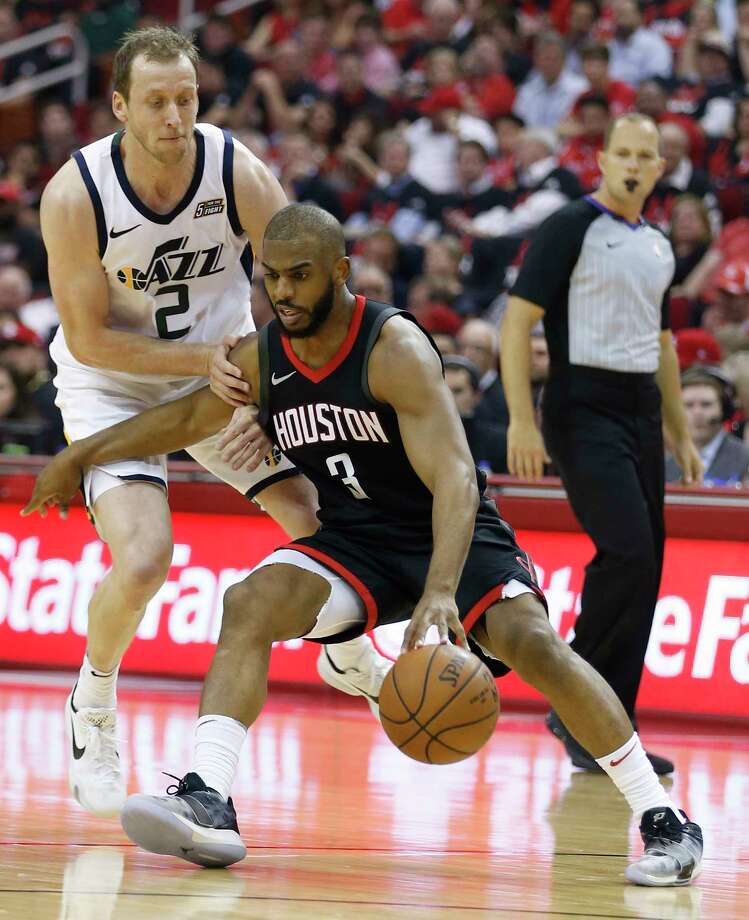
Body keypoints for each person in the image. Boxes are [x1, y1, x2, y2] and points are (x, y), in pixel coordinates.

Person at [25, 203, 703, 887]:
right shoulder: (266, 354)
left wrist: (440, 590)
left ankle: (665, 821)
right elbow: (182, 419)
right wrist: (80, 455)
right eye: (272, 279)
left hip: (447, 532)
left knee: (533, 645)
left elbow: (457, 479)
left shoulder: (392, 348)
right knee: (250, 600)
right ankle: (209, 798)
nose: (284, 293)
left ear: (339, 272)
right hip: (359, 542)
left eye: (300, 276)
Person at [39, 26, 388, 821]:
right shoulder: (75, 193)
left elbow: (309, 272)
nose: (173, 115)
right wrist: (210, 364)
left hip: (223, 377)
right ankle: (93, 704)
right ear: (120, 106)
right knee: (145, 558)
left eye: (186, 97)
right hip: (115, 391)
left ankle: (344, 652)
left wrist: (286, 362)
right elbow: (89, 338)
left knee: (310, 514)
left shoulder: (233, 168)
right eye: (156, 101)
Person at [500, 113, 704, 777]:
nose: (634, 164)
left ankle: (611, 727)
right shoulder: (568, 226)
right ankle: (574, 697)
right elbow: (515, 324)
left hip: (639, 408)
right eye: (623, 153)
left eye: (647, 156)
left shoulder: (657, 245)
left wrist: (677, 427)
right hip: (578, 406)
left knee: (645, 568)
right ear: (603, 158)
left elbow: (664, 344)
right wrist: (520, 420)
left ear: (658, 168)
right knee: (626, 551)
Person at [666, 367, 749, 485]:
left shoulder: (745, 459)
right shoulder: (663, 461)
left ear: (725, 410)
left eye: (706, 404)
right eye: (688, 405)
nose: (697, 413)